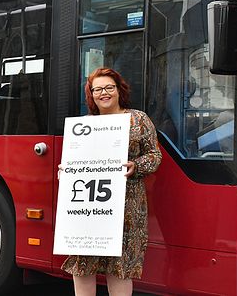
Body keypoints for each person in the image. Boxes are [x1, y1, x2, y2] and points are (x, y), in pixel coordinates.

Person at [60, 67, 161, 296]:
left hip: (127, 207)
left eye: (109, 88)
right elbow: (75, 160)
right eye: (97, 89)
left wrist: (136, 166)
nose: (103, 93)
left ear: (118, 90)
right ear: (91, 94)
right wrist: (66, 171)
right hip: (88, 207)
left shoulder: (138, 119)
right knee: (83, 264)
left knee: (121, 266)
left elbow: (155, 156)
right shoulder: (84, 124)